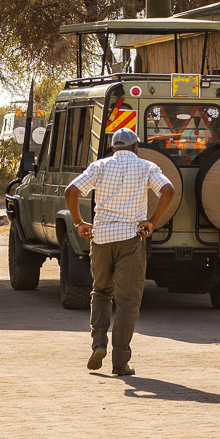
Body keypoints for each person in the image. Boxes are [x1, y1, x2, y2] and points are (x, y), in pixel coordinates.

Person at [66, 127, 178, 377]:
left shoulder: (99, 166)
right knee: (128, 302)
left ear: (113, 147)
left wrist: (79, 223)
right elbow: (168, 190)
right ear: (135, 147)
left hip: (101, 238)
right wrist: (152, 221)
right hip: (130, 239)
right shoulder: (146, 167)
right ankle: (120, 362)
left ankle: (99, 344)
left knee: (101, 292)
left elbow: (70, 191)